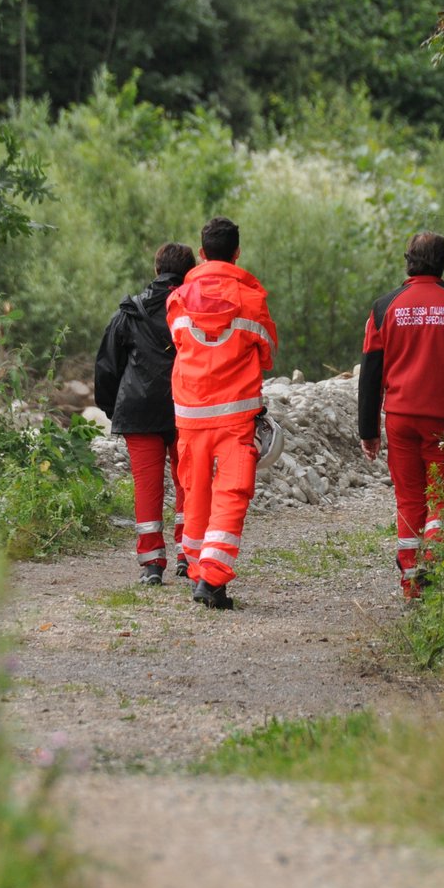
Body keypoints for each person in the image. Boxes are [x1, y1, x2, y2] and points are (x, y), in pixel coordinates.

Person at [357, 231, 444, 598]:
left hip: (399, 420)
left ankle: (411, 582)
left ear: (408, 261)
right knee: (443, 498)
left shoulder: (384, 307)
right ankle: (432, 566)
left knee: (409, 499)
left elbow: (371, 372)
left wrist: (367, 429)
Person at [168, 216, 278, 610]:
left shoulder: (179, 298)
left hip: (190, 413)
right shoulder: (252, 300)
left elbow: (178, 339)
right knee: (230, 493)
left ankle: (198, 569)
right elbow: (266, 351)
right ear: (236, 254)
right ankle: (211, 580)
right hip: (235, 416)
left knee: (196, 491)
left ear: (202, 253)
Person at [95, 242, 197, 585]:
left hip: (138, 410)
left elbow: (108, 367)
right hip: (186, 409)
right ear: (189, 274)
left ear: (157, 270)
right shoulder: (195, 311)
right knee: (188, 483)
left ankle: (152, 564)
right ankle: (188, 555)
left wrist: (114, 410)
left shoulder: (129, 312)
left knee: (147, 488)